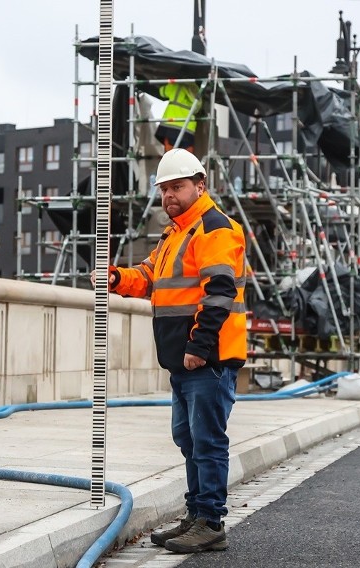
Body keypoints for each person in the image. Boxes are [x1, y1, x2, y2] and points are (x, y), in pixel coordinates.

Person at [94, 149, 246, 553]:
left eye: (177, 187)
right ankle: (196, 515)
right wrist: (115, 277)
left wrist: (199, 346)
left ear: (200, 185)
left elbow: (219, 292)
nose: (169, 196)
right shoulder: (175, 233)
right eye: (164, 189)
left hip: (206, 358)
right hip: (181, 359)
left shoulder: (214, 228)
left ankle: (211, 522)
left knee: (207, 440)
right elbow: (147, 276)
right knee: (188, 438)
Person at [155, 82, 200, 152]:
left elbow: (162, 91)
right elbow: (198, 107)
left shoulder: (174, 84)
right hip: (187, 128)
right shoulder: (196, 88)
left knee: (170, 153)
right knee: (187, 155)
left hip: (171, 125)